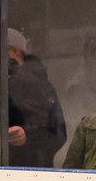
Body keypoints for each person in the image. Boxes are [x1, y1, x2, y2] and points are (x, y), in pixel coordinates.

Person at [6, 28, 66, 167]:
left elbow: (58, 133)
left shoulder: (36, 84)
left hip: (31, 177)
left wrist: (28, 136)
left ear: (15, 52)